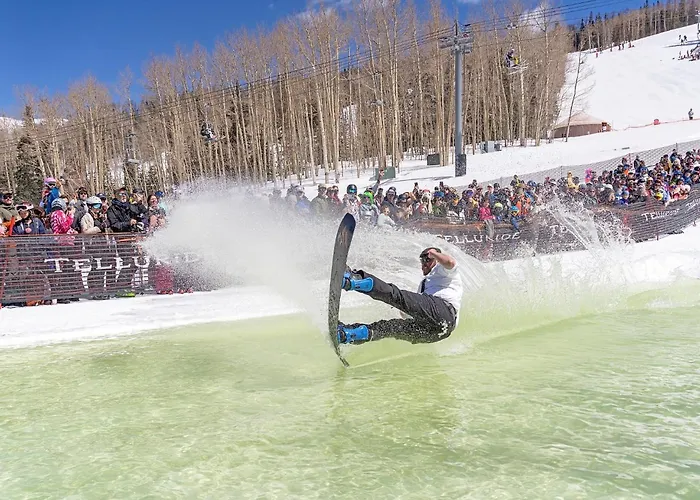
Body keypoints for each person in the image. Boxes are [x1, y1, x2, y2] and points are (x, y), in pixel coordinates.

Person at [337, 247, 463, 345]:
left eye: (427, 259)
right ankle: (347, 334)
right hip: (439, 333)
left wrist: (434, 253)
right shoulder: (424, 287)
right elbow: (418, 311)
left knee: (396, 296)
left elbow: (450, 262)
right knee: (390, 328)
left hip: (445, 312)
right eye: (422, 260)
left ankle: (353, 280)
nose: (424, 263)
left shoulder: (442, 270)